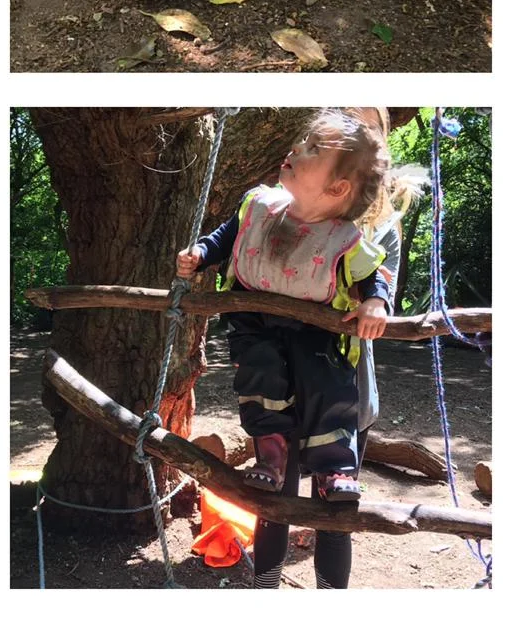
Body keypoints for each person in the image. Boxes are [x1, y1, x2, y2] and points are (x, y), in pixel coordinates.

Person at [177, 109, 422, 589]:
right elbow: (229, 236)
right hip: (260, 332)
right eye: (304, 141)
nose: (295, 149)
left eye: (313, 149)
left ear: (337, 189)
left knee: (330, 406)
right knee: (262, 394)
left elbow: (375, 276)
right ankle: (270, 479)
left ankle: (335, 478)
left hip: (321, 345)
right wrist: (202, 254)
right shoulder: (260, 206)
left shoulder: (353, 237)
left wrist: (375, 301)